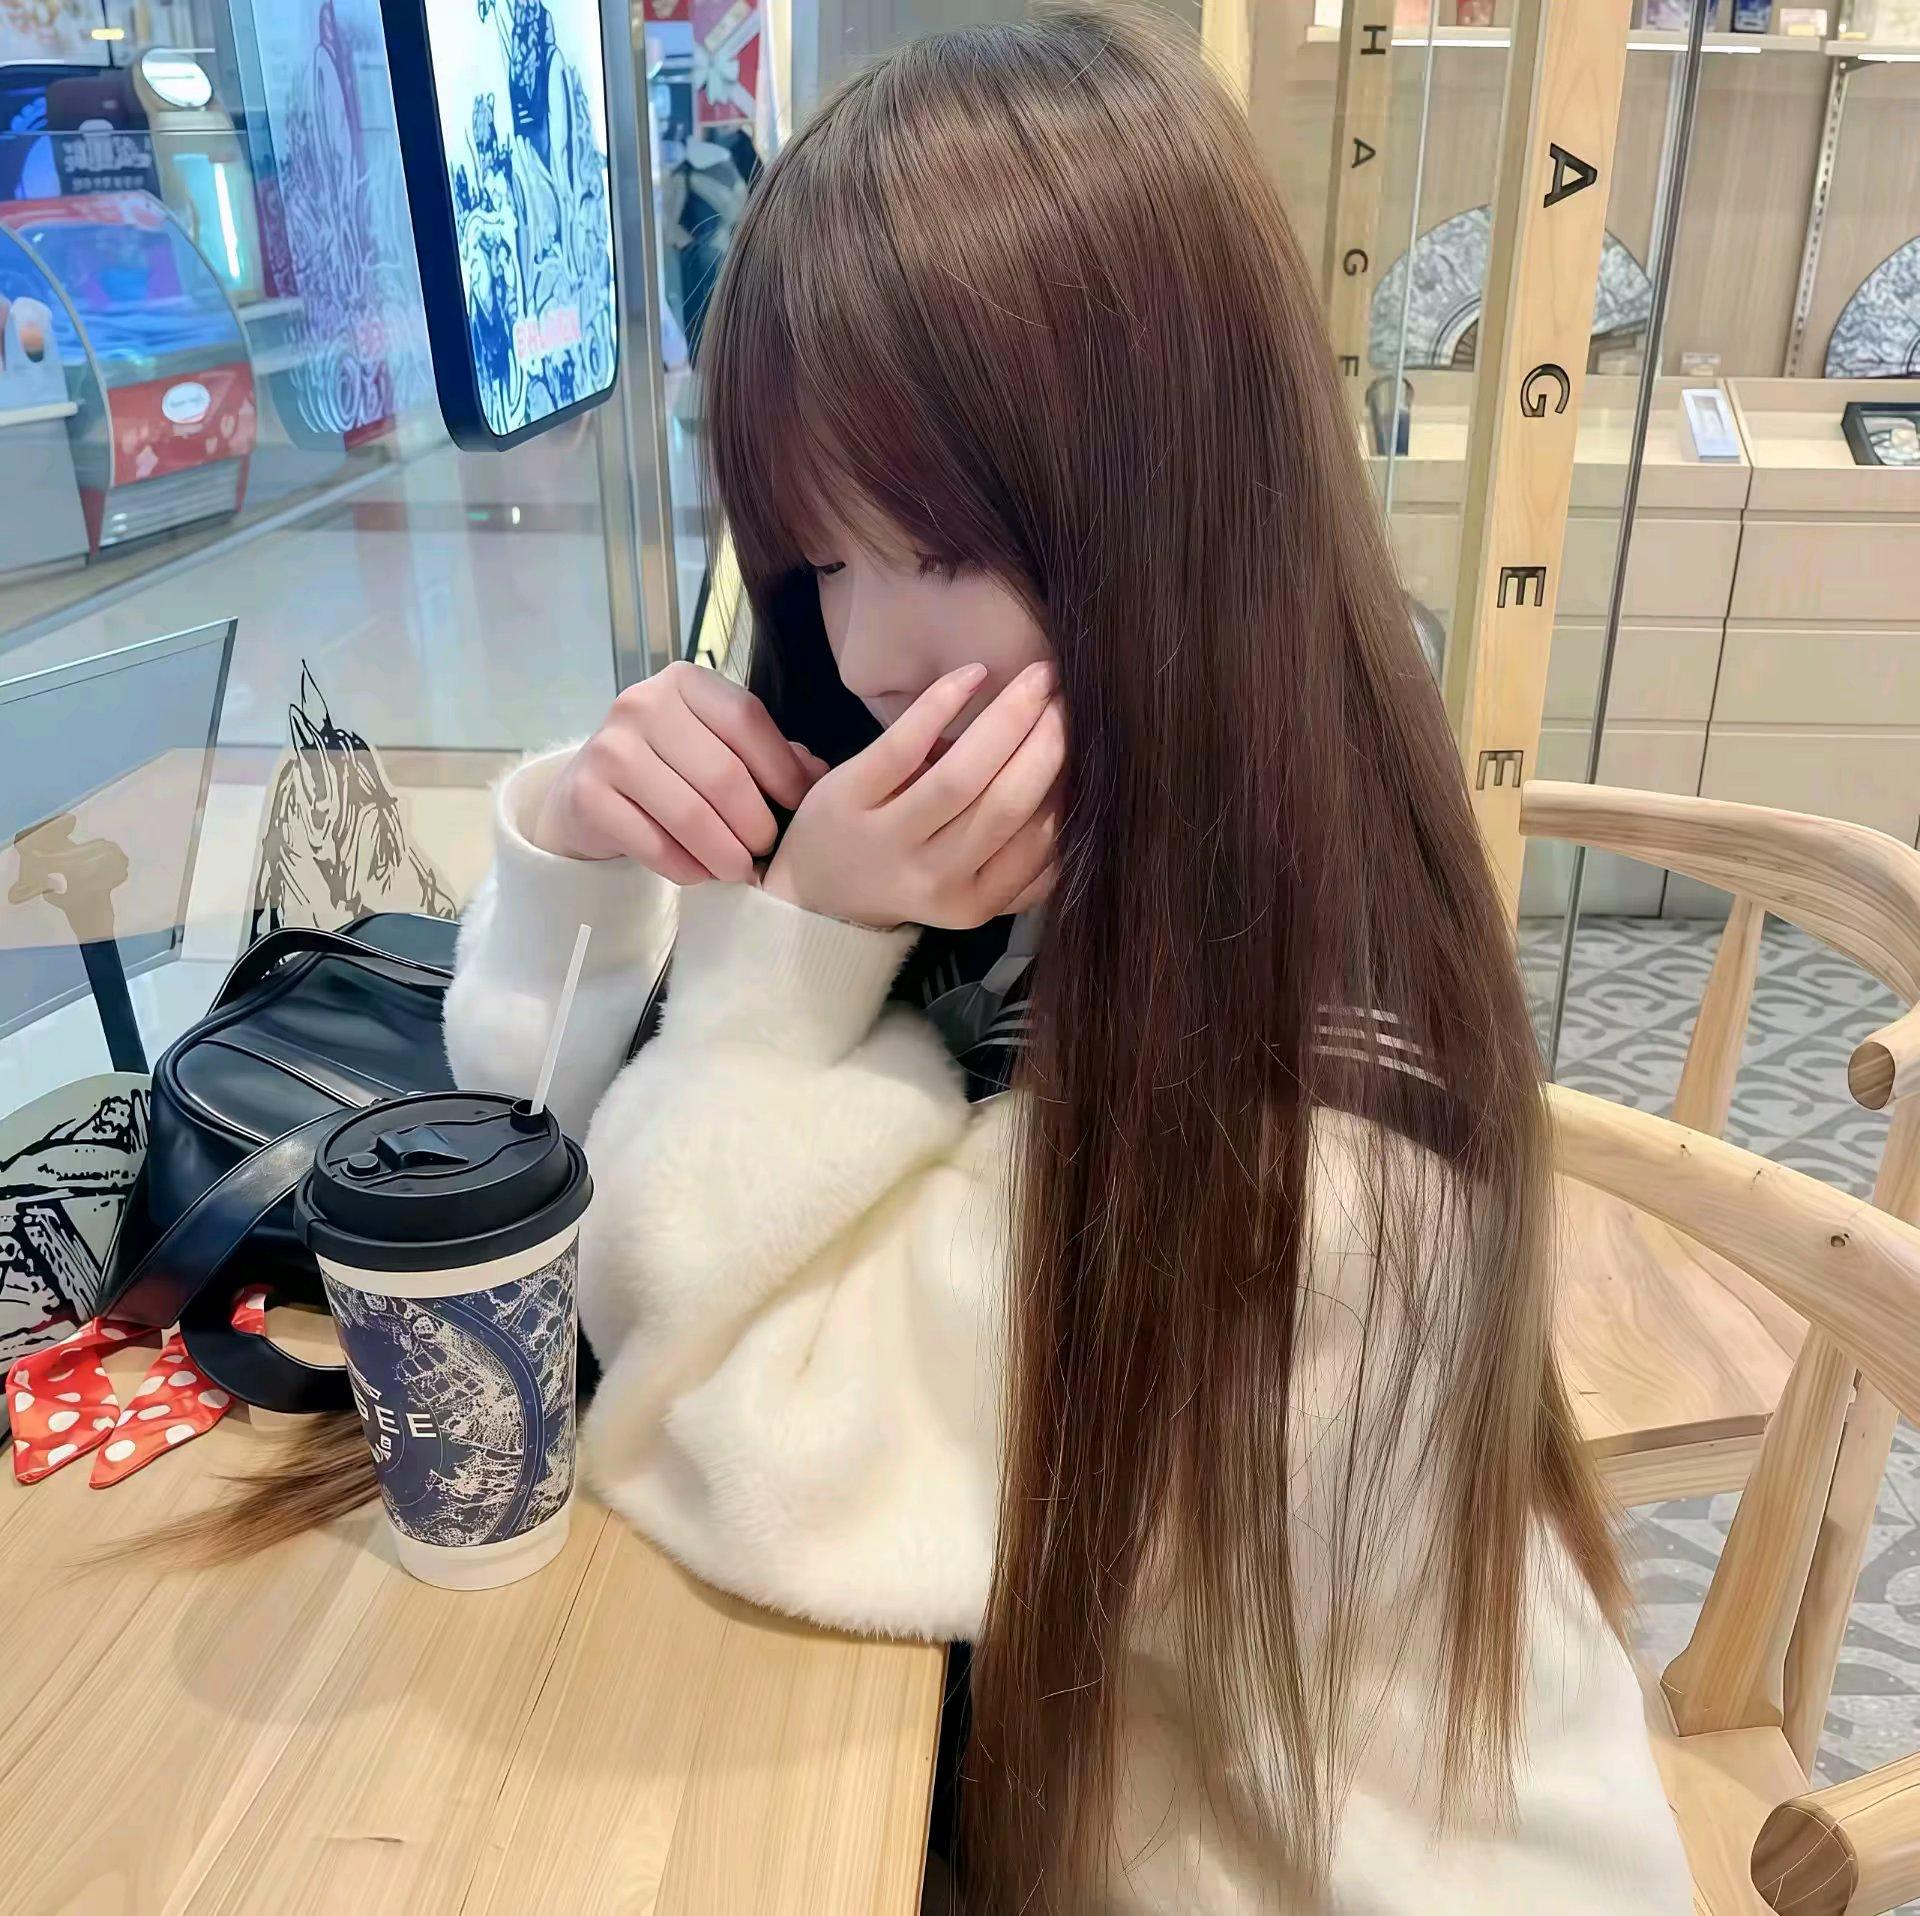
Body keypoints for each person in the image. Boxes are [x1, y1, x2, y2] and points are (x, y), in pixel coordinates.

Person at [209, 12, 1695, 1911]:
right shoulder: (1126, 824)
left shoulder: (1303, 1154)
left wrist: (799, 947)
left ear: (1175, 510)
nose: (868, 650)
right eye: (821, 557)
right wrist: (586, 852)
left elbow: (694, 1403)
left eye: (939, 544)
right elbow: (531, 1180)